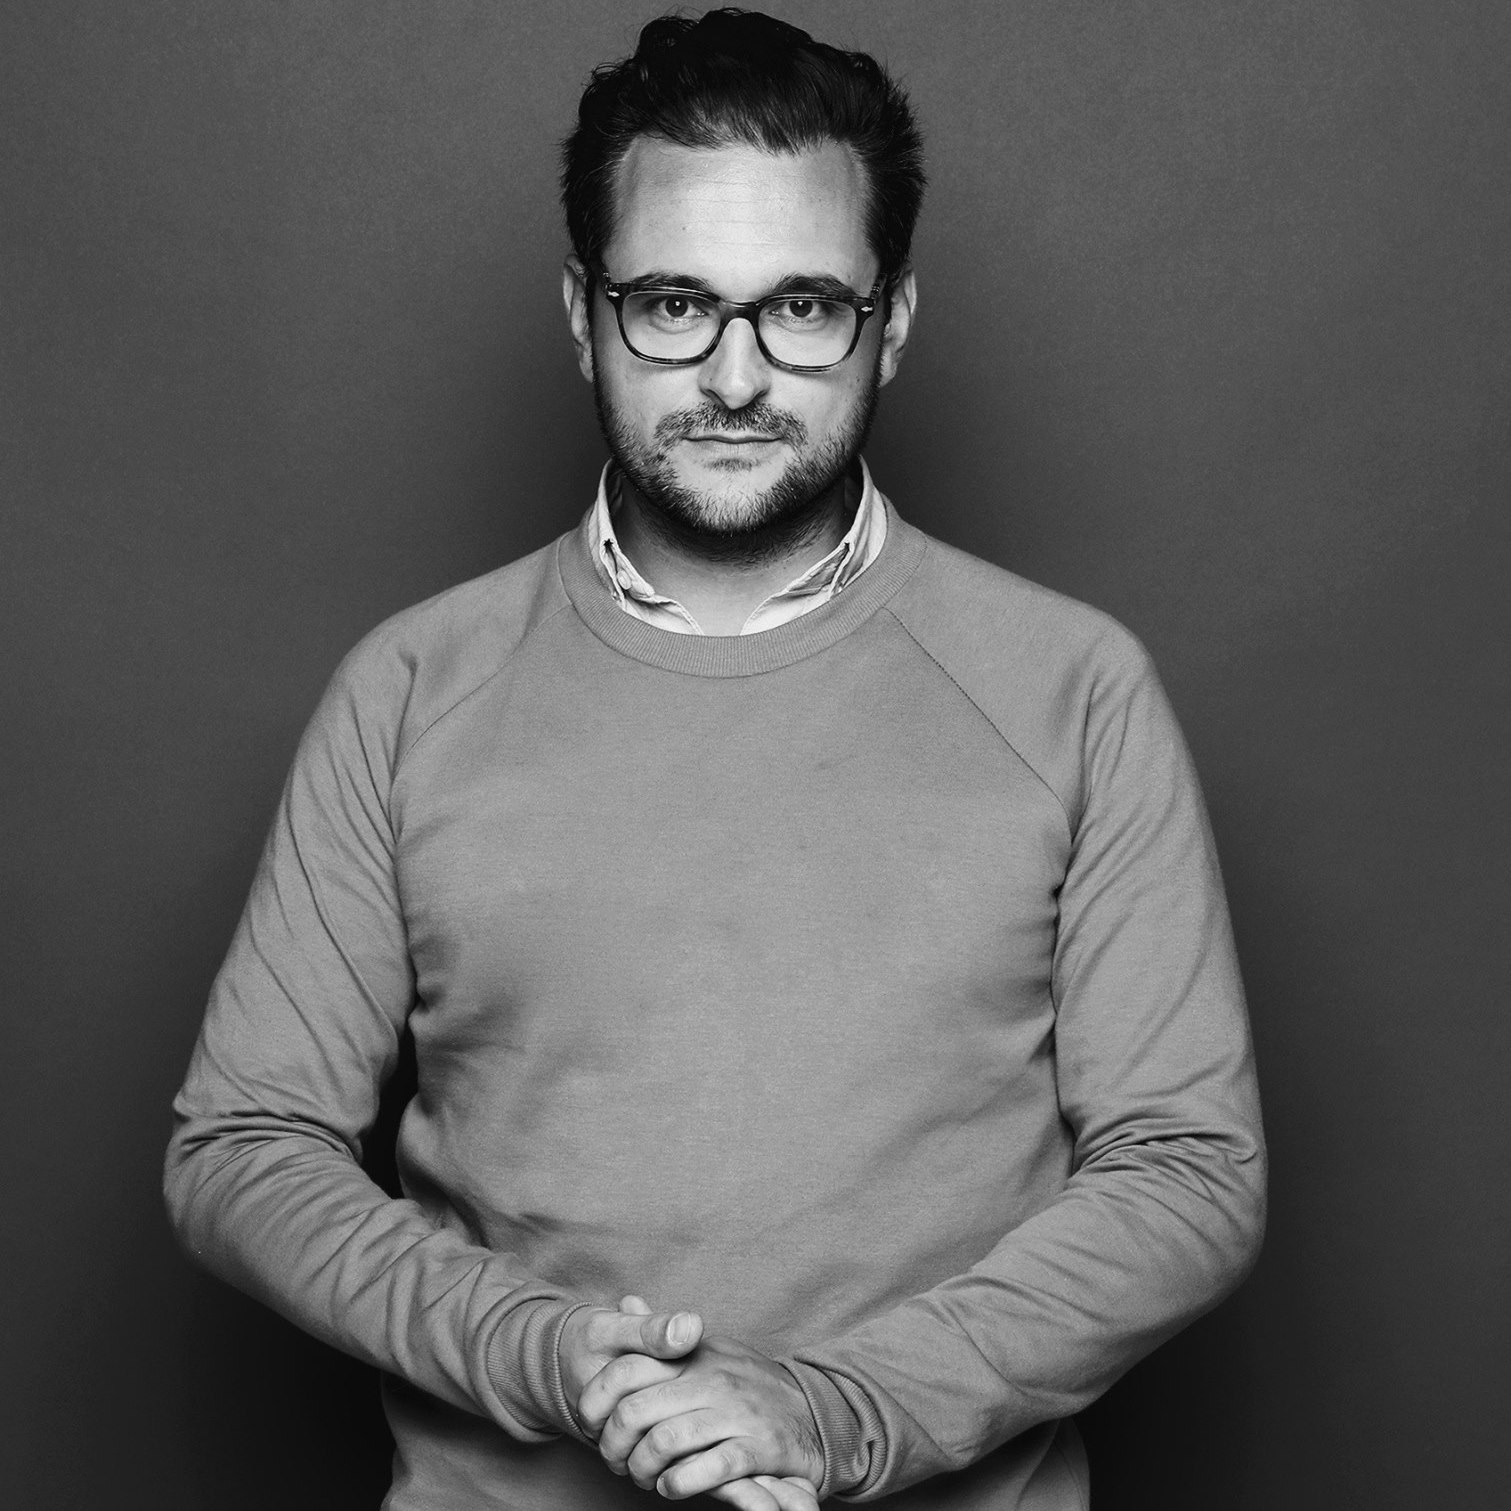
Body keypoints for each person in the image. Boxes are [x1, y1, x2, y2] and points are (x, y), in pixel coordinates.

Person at [164, 10, 1265, 1509]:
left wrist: (835, 1411)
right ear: (584, 314)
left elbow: (1188, 1174)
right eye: (674, 302)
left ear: (893, 320)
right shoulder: (410, 691)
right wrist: (549, 1357)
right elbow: (244, 1148)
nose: (736, 377)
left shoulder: (1073, 690)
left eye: (803, 305)